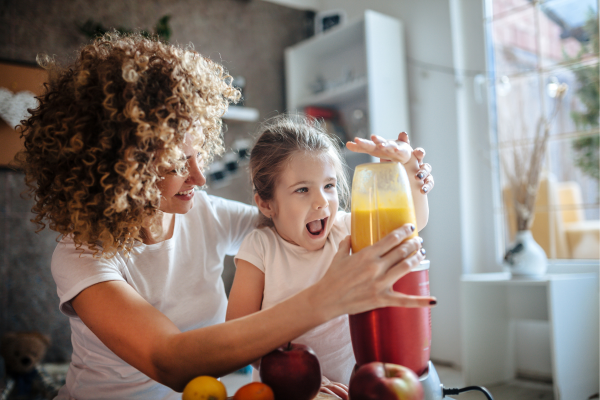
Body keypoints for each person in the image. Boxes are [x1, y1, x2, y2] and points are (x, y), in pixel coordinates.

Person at [16, 32, 435, 400]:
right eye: (179, 163)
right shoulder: (81, 255)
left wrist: (407, 178)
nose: (199, 176)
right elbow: (168, 361)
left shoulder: (206, 214)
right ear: (121, 166)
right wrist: (329, 296)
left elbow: (295, 224)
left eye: (199, 156)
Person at [226, 114, 433, 397]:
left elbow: (412, 224)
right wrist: (308, 382)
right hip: (285, 391)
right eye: (302, 189)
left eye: (329, 186)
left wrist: (407, 167)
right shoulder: (260, 248)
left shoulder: (346, 229)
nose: (322, 200)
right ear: (266, 203)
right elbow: (238, 337)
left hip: (355, 386)